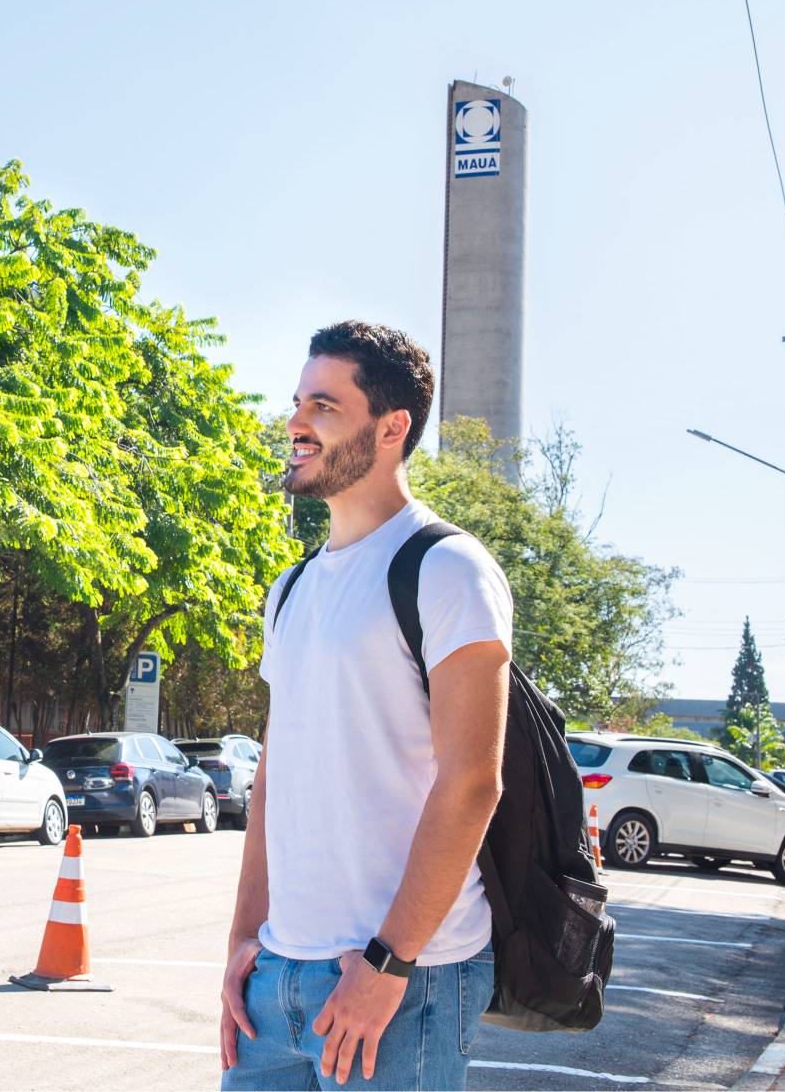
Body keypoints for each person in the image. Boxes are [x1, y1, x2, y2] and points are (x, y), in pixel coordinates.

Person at [220, 321, 511, 1091]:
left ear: (391, 428)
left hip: (401, 981)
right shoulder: (290, 590)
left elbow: (472, 782)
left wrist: (387, 963)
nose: (295, 423)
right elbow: (272, 785)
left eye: (324, 405)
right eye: (297, 403)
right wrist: (244, 942)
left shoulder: (447, 567)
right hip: (276, 980)